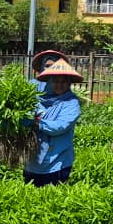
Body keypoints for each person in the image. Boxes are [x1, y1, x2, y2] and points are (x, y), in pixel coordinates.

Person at [24, 58, 84, 187]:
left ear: (69, 83)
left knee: (51, 198)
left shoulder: (71, 103)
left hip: (57, 161)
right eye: (55, 80)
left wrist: (37, 123)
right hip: (33, 160)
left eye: (63, 81)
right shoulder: (38, 99)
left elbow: (60, 126)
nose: (59, 84)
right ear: (50, 81)